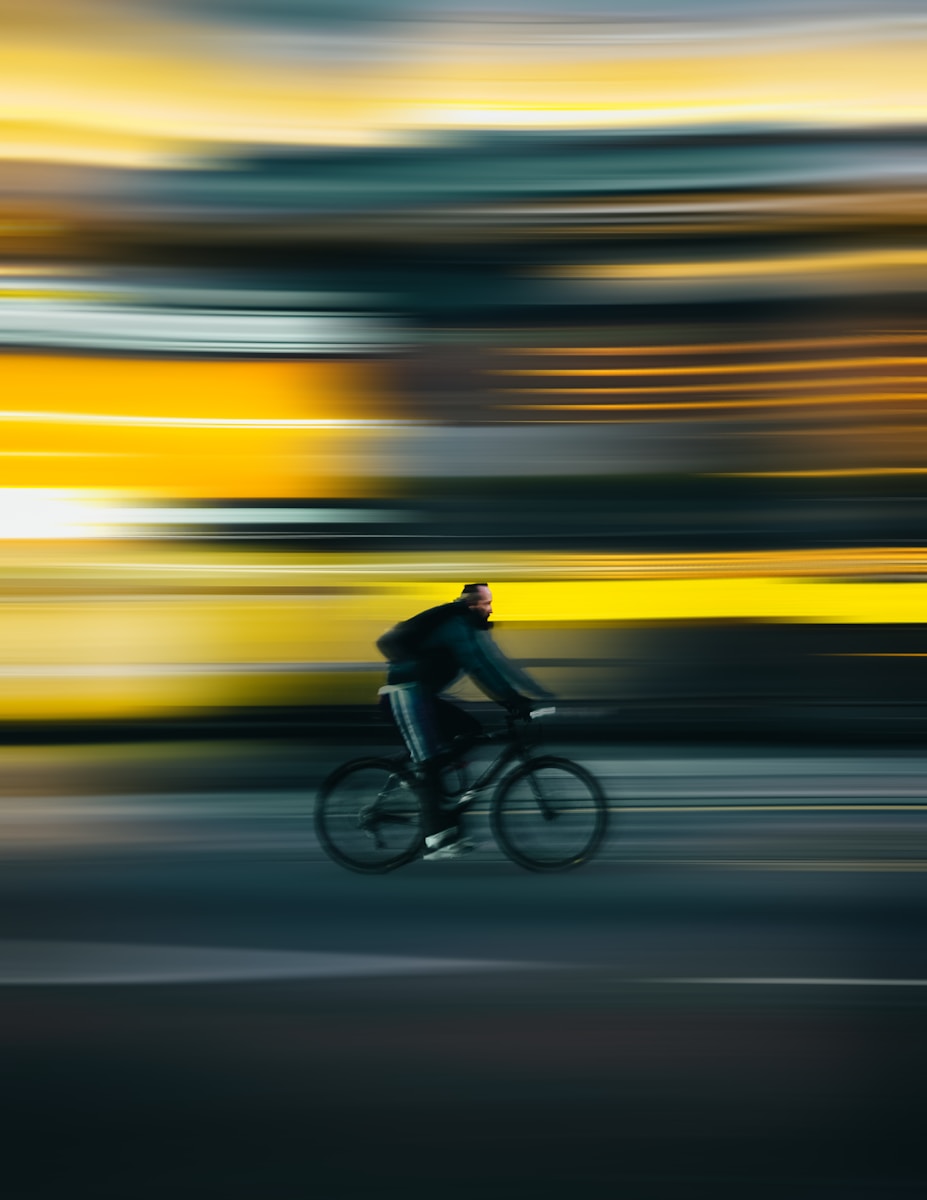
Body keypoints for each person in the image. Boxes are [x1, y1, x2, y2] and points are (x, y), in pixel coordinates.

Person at [376, 583, 553, 860]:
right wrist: (513, 701)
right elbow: (479, 667)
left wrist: (534, 696)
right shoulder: (456, 625)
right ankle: (436, 838)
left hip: (421, 697)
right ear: (471, 603)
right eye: (486, 603)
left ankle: (421, 778)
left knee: (470, 730)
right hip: (405, 694)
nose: (491, 609)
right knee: (431, 764)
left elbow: (497, 664)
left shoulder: (468, 628)